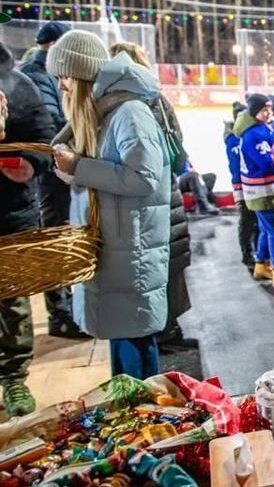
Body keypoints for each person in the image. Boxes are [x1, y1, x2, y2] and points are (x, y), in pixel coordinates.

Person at [49, 31, 170, 379]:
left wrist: (79, 167)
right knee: (125, 347)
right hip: (118, 254)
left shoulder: (130, 113)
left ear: (83, 75)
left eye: (65, 77)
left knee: (136, 355)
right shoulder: (106, 113)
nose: (61, 86)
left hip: (132, 255)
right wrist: (73, 168)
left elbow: (143, 177)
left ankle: (153, 425)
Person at [107, 41, 194, 347]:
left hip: (143, 198)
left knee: (153, 262)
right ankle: (168, 325)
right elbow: (178, 143)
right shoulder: (154, 100)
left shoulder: (122, 106)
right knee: (167, 259)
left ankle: (160, 327)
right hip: (164, 190)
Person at [0, 39, 56, 415]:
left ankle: (13, 378)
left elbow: (44, 136)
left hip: (7, 212)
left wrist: (32, 163)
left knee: (11, 299)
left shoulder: (17, 85)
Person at [19, 21, 85, 338]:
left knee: (64, 237)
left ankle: (69, 308)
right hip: (50, 175)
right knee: (56, 238)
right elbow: (52, 125)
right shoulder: (37, 76)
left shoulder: (42, 74)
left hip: (59, 170)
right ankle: (60, 312)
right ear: (55, 46)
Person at [236, 93, 274, 282]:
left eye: (269, 109)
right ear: (255, 111)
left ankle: (260, 265)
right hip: (263, 191)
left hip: (265, 190)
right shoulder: (252, 134)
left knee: (266, 229)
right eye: (264, 110)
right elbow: (267, 163)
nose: (268, 113)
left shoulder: (261, 128)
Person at [225, 101, 260, 269]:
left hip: (248, 183)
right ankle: (247, 254)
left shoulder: (242, 136)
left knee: (254, 220)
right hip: (242, 184)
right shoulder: (234, 139)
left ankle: (255, 253)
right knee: (247, 220)